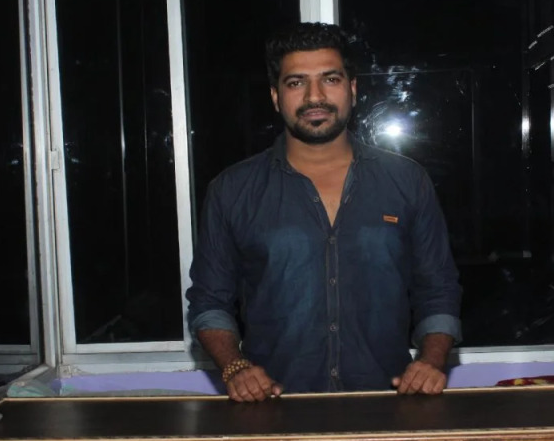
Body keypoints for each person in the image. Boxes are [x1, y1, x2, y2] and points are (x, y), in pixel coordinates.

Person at [186, 22, 461, 402]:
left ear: (352, 89)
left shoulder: (407, 181)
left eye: (330, 79)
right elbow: (209, 302)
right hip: (272, 407)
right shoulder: (232, 191)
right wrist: (235, 367)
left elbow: (438, 290)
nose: (314, 96)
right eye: (296, 82)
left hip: (388, 405)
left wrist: (431, 360)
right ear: (275, 96)